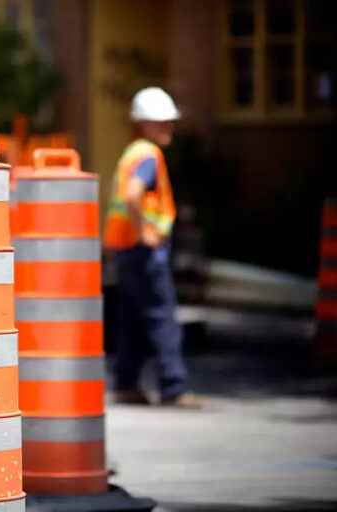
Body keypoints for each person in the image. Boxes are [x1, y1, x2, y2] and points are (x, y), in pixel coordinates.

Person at [103, 87, 201, 408]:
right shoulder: (148, 154)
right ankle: (173, 386)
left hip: (125, 250)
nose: (167, 127)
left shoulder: (131, 152)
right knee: (162, 317)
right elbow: (133, 195)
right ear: (142, 123)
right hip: (144, 250)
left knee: (132, 318)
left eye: (169, 122)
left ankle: (126, 384)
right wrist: (146, 229)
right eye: (160, 122)